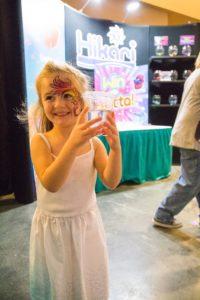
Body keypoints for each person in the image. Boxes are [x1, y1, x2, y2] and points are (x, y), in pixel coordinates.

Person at [29, 61, 122, 299]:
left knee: (86, 283)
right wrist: (73, 143)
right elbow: (52, 183)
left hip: (86, 228)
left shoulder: (94, 144)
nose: (59, 104)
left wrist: (115, 148)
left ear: (84, 101)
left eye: (68, 95)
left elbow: (111, 181)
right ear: (41, 103)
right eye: (50, 97)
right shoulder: (41, 142)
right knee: (58, 285)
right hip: (54, 232)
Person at [153, 51, 200, 229]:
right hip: (192, 135)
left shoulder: (195, 74)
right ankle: (163, 214)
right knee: (191, 181)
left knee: (196, 179)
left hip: (188, 132)